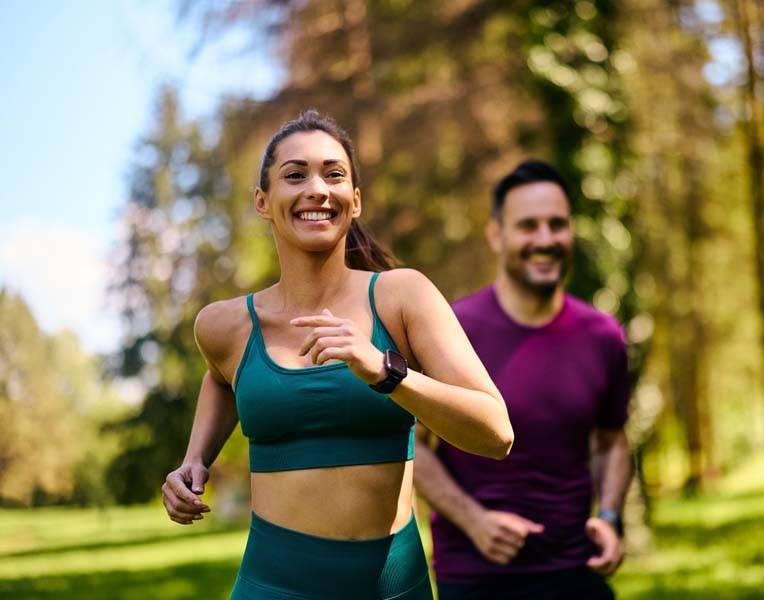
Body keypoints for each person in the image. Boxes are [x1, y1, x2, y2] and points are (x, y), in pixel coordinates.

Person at [160, 110, 514, 600]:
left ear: (356, 200)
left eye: (334, 174)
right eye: (295, 175)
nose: (317, 189)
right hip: (273, 587)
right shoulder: (225, 326)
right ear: (263, 202)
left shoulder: (402, 297)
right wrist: (193, 459)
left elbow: (497, 433)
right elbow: (222, 378)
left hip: (393, 586)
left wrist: (387, 373)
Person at [414, 159, 633, 600]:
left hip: (577, 570)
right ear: (496, 235)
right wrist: (474, 519)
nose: (546, 240)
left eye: (557, 225)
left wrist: (609, 517)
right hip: (476, 576)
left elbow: (612, 441)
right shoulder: (453, 330)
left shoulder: (603, 336)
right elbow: (412, 444)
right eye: (528, 226)